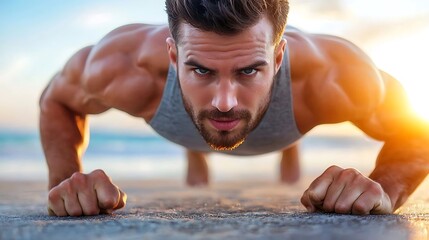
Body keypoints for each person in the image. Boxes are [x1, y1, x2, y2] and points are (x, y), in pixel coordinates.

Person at [39, 0, 429, 217]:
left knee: (222, 114)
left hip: (293, 111)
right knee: (211, 121)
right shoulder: (124, 66)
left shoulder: (334, 75)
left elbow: (417, 132)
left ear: (278, 58)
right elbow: (55, 99)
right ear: (172, 56)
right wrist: (64, 180)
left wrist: (385, 189)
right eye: (201, 69)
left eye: (249, 70)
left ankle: (287, 139)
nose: (224, 100)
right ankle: (195, 146)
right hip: (181, 113)